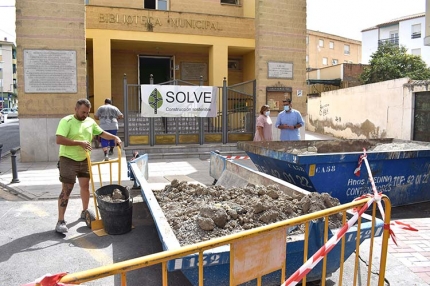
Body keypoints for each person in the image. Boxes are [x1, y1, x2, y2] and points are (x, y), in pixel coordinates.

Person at [55, 98, 122, 233]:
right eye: (83, 112)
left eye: (87, 113)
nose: (85, 115)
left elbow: (101, 133)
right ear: (76, 109)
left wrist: (115, 138)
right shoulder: (66, 121)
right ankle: (60, 221)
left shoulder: (90, 122)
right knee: (67, 189)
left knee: (85, 186)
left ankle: (84, 211)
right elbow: (59, 139)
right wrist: (79, 143)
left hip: (84, 159)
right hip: (68, 159)